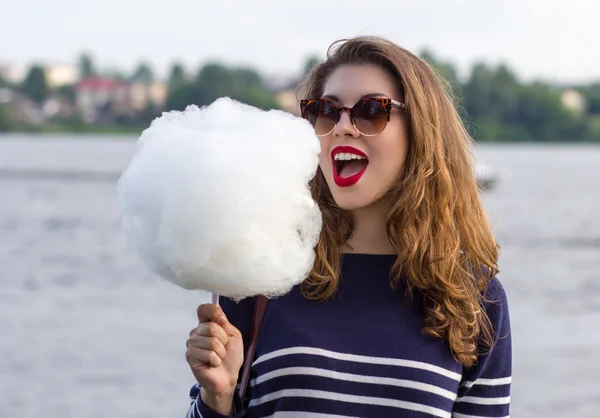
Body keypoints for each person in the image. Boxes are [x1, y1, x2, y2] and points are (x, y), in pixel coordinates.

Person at [184, 36, 512, 418]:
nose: (343, 126)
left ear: (421, 132)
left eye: (372, 110)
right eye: (326, 110)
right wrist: (216, 400)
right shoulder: (258, 272)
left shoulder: (475, 298)